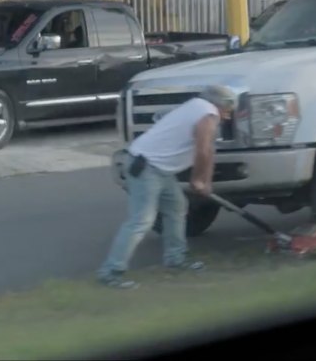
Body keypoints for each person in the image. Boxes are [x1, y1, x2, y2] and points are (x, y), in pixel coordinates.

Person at [97, 85, 237, 289]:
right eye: (227, 110)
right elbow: (203, 150)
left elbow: (208, 152)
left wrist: (205, 182)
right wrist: (199, 180)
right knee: (141, 221)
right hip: (146, 167)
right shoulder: (208, 114)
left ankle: (176, 259)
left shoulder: (197, 106)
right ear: (220, 105)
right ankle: (110, 273)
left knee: (176, 208)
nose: (226, 116)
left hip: (157, 168)